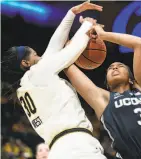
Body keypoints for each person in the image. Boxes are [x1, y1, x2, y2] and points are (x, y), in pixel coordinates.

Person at [2, 2, 107, 159]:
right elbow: (71, 50)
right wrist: (86, 25)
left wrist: (72, 13)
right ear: (25, 63)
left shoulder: (28, 84)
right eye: (37, 55)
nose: (42, 57)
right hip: (77, 147)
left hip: (59, 149)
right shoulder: (37, 74)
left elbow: (54, 47)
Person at [64, 25, 141, 159]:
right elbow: (66, 65)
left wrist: (102, 35)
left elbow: (140, 43)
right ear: (107, 82)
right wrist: (73, 43)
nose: (115, 67)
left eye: (120, 66)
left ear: (131, 79)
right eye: (110, 68)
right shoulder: (103, 99)